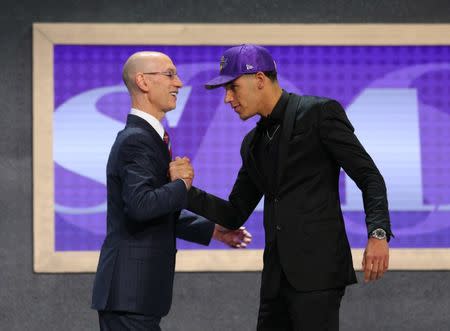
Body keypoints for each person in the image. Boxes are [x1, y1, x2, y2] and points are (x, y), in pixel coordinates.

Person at [187, 44, 393, 330]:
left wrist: (378, 233)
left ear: (259, 79)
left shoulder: (320, 113)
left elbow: (369, 177)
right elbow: (234, 214)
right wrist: (183, 191)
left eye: (232, 88)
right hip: (274, 281)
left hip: (319, 275)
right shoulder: (251, 143)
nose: (227, 99)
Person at [91, 51, 251, 331]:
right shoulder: (137, 140)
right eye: (169, 74)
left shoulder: (148, 137)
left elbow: (154, 212)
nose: (178, 83)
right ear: (142, 81)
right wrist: (181, 184)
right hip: (130, 295)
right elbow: (140, 206)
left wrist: (213, 230)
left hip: (136, 297)